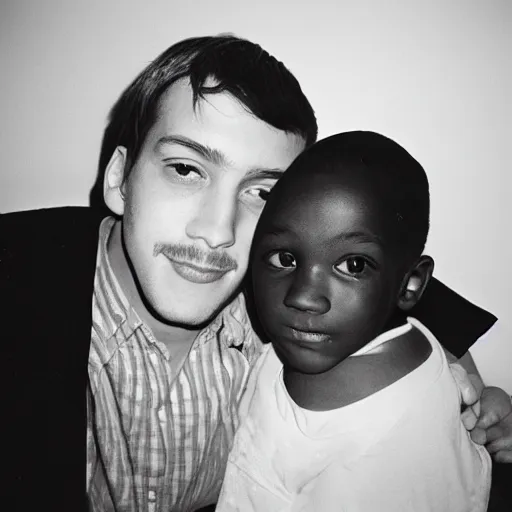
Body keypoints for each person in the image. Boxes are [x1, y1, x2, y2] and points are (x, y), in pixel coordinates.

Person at [0, 35, 510, 512]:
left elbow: (390, 280)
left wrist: (483, 410)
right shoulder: (24, 274)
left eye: (262, 193)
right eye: (185, 169)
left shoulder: (285, 294)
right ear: (119, 179)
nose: (217, 231)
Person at [216, 131, 492, 511]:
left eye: (353, 266)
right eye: (284, 259)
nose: (302, 297)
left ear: (411, 284)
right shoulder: (383, 334)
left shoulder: (375, 461)